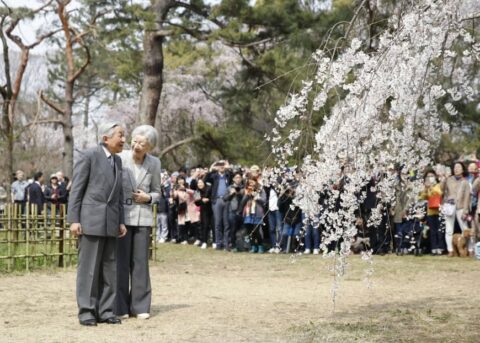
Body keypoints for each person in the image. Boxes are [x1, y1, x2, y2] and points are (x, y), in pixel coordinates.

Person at [68, 121, 127, 326]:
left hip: (111, 222)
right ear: (105, 138)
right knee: (89, 269)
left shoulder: (118, 162)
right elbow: (76, 191)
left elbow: (118, 195)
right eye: (120, 135)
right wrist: (74, 219)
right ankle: (86, 311)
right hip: (90, 221)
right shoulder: (89, 156)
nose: (123, 140)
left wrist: (121, 221)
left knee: (110, 268)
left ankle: (107, 310)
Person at [116, 125, 161, 320]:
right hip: (123, 217)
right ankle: (120, 306)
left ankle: (140, 305)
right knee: (120, 262)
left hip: (142, 216)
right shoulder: (121, 158)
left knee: (140, 263)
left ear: (149, 146)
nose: (136, 145)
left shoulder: (154, 163)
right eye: (134, 141)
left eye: (142, 143)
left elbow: (158, 192)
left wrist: (148, 197)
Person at [441, 162, 470, 257]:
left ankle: (469, 248)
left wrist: (465, 210)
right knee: (449, 229)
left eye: (458, 167)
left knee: (465, 228)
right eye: (455, 167)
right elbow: (442, 189)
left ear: (462, 169)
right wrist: (444, 179)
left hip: (461, 206)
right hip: (449, 206)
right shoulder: (449, 179)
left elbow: (467, 197)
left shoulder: (465, 182)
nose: (456, 169)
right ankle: (450, 250)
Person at [240, 177, 267, 253]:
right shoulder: (246, 190)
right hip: (248, 213)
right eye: (250, 183)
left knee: (257, 230)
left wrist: (257, 196)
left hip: (257, 212)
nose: (251, 184)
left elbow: (264, 201)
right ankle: (253, 246)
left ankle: (260, 246)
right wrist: (247, 195)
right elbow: (242, 202)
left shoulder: (261, 190)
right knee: (249, 231)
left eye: (253, 182)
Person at [420, 170, 444, 255]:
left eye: (432, 176)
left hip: (439, 211)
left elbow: (439, 193)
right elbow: (423, 197)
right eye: (428, 176)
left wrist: (431, 187)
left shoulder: (438, 185)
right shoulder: (426, 187)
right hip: (430, 211)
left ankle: (440, 247)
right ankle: (434, 248)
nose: (430, 178)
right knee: (433, 231)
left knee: (440, 230)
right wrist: (426, 189)